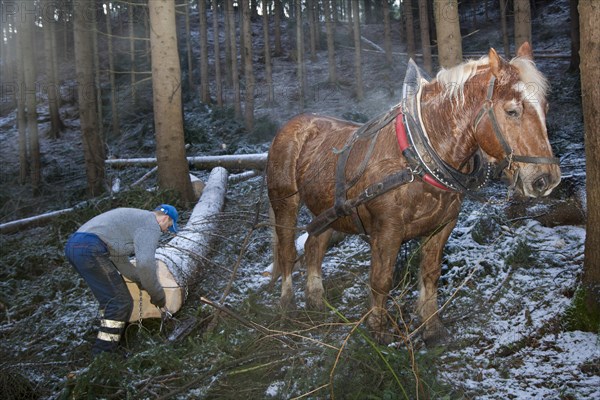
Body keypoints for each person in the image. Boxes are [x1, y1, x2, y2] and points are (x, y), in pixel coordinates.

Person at [64, 204, 179, 354]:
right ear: (164, 219)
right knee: (119, 302)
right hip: (90, 248)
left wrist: (140, 281)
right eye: (168, 227)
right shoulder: (150, 224)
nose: (164, 231)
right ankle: (103, 355)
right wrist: (157, 294)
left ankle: (110, 337)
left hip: (74, 247)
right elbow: (145, 264)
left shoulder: (130, 223)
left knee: (109, 300)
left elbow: (121, 263)